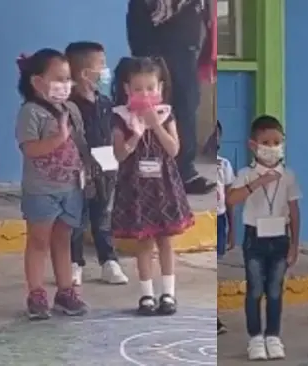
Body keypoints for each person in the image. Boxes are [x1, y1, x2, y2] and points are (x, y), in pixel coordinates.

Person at [110, 57, 194, 316]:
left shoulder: (166, 114)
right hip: (135, 187)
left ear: (160, 88)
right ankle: (146, 294)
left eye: (151, 88)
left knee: (165, 241)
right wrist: (135, 134)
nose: (145, 94)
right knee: (143, 243)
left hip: (163, 185)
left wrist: (154, 124)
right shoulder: (121, 118)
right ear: (127, 89)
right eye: (138, 89)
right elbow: (119, 155)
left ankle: (168, 293)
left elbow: (173, 148)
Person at [15, 49, 90, 320]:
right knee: (38, 241)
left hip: (70, 188)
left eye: (68, 79)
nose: (65, 85)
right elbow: (30, 149)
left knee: (64, 239)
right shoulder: (30, 113)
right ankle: (36, 293)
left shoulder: (71, 109)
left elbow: (80, 143)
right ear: (37, 82)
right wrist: (58, 139)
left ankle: (65, 291)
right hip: (41, 190)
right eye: (58, 79)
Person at [227, 115, 301, 361]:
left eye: (276, 142)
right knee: (255, 288)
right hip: (255, 238)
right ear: (253, 145)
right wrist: (259, 182)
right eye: (266, 142)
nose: (272, 147)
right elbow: (231, 199)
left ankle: (273, 335)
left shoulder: (288, 175)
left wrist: (295, 244)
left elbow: (294, 210)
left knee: (275, 290)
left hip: (280, 237)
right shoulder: (245, 173)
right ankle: (255, 337)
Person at [126, 0, 216, 194]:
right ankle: (151, 174)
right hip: (155, 53)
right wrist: (145, 58)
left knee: (187, 109)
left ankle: (184, 172)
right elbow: (138, 28)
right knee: (152, 108)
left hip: (187, 53)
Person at [64, 41, 128, 286]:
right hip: (77, 171)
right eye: (100, 65)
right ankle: (74, 262)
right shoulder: (68, 105)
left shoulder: (105, 103)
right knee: (77, 218)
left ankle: (108, 261)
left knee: (102, 217)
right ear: (83, 73)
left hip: (105, 168)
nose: (105, 70)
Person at [216, 119, 235, 335]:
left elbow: (229, 199)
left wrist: (232, 229)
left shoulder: (224, 165)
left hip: (220, 221)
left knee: (217, 270)